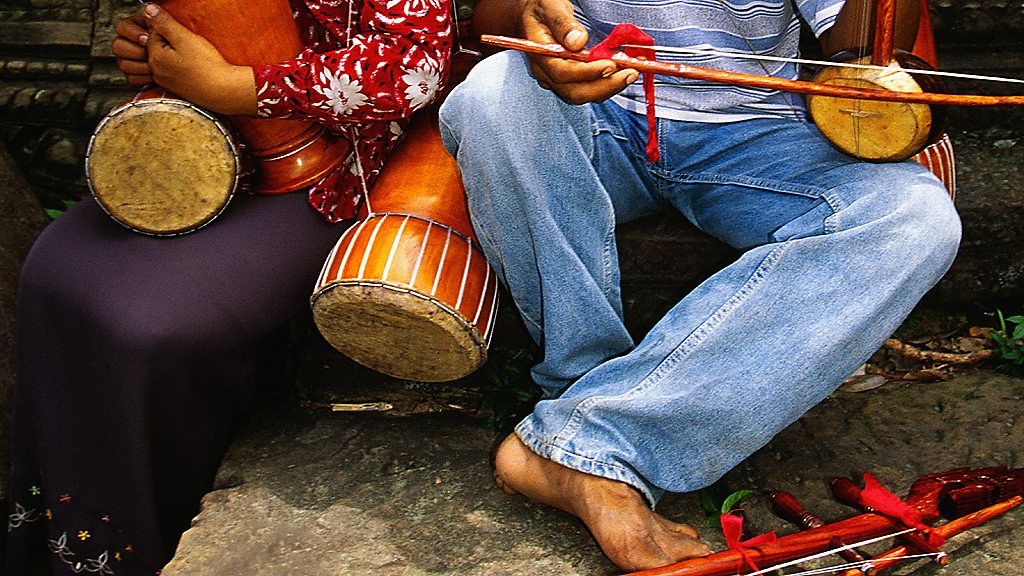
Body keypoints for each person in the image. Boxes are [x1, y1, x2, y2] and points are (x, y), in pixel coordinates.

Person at [439, 0, 961, 570]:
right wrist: (529, 13)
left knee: (912, 218)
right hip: (591, 112)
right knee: (494, 92)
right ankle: (582, 394)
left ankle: (593, 441)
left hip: (758, 128)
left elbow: (856, 50)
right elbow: (493, 15)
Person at [3, 1, 450, 574]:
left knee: (143, 326)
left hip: (336, 175)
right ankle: (56, 549)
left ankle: (138, 548)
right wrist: (156, 51)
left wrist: (235, 86)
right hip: (202, 143)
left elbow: (414, 70)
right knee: (56, 272)